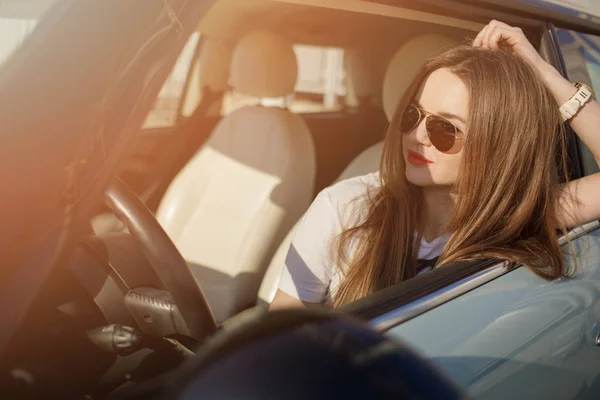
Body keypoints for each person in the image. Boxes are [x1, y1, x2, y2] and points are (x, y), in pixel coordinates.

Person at [270, 21, 600, 310]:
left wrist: (544, 72)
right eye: (413, 114)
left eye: (445, 129)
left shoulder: (517, 216)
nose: (416, 135)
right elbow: (280, 343)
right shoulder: (345, 208)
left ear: (496, 145)